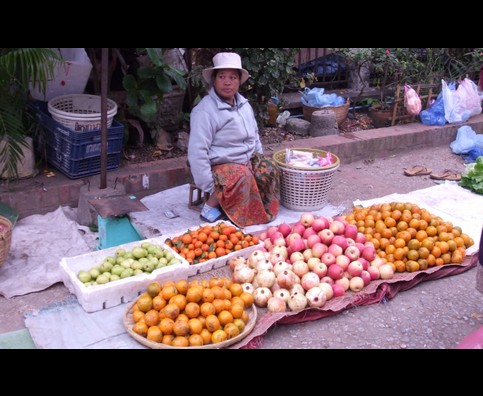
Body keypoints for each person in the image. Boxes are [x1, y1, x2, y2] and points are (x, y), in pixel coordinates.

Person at [188, 52, 280, 228]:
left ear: (239, 81)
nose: (227, 82)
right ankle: (212, 205)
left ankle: (254, 204)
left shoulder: (244, 105)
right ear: (214, 80)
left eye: (232, 77)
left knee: (269, 168)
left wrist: (258, 158)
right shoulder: (205, 111)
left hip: (245, 161)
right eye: (221, 77)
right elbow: (197, 151)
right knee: (241, 175)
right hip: (220, 166)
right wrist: (209, 186)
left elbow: (254, 135)